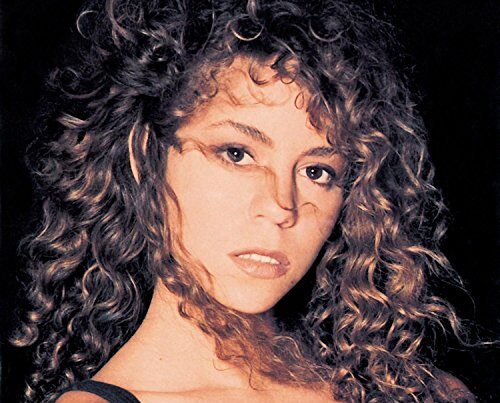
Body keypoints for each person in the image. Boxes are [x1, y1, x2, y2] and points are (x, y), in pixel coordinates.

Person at [11, 0, 476, 401]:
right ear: (144, 156)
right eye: (237, 154)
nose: (280, 206)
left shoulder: (421, 393)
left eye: (317, 171)